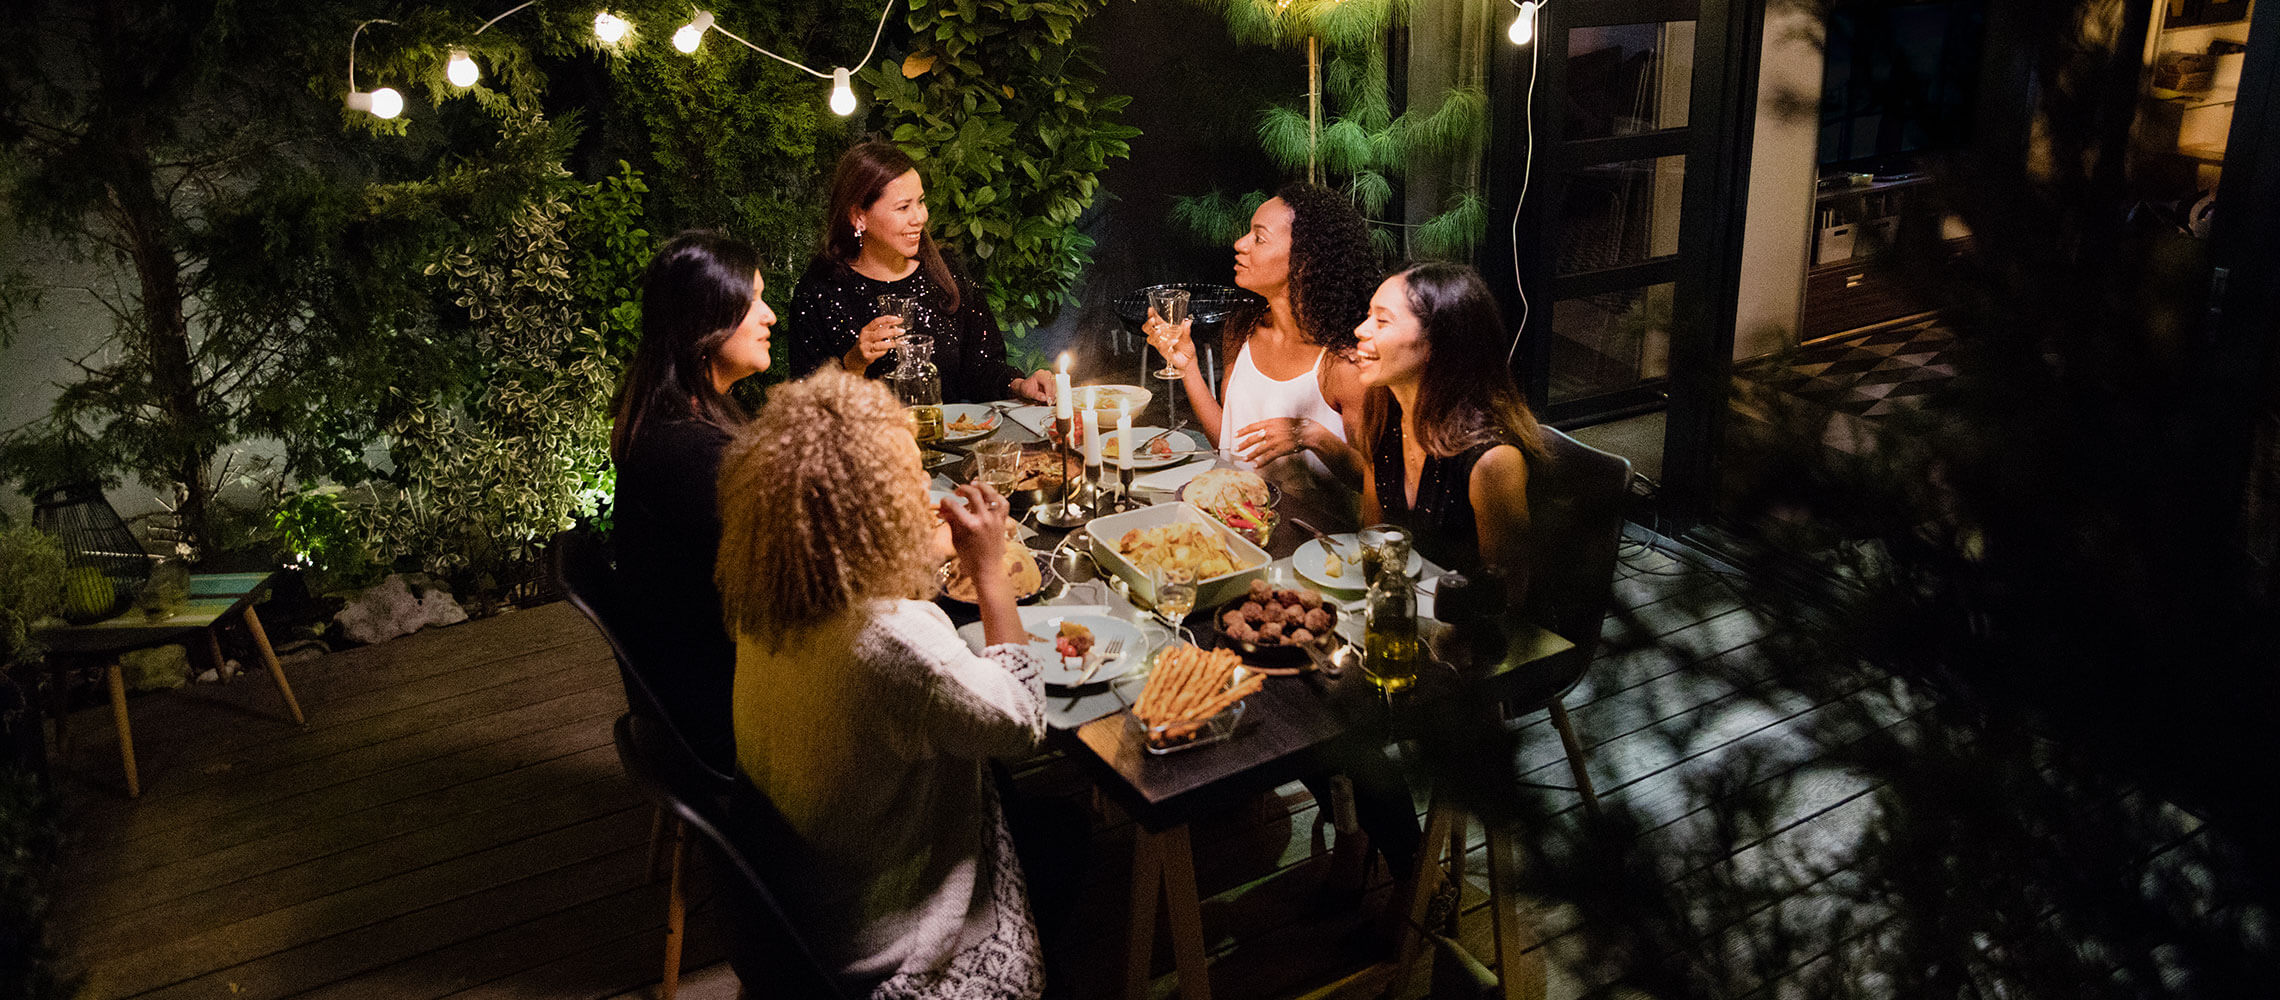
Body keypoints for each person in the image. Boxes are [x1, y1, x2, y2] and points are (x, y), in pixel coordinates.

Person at [713, 369, 1046, 999]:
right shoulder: (892, 640)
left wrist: (926, 553)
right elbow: (1020, 721)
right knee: (1047, 827)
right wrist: (989, 568)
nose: (923, 487)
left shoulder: (777, 586)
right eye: (909, 476)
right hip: (881, 950)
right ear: (871, 504)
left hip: (794, 904)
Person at [608, 230, 775, 769]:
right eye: (751, 303)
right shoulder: (690, 452)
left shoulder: (683, 416)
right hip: (725, 708)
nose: (769, 316)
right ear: (705, 324)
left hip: (712, 676)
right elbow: (786, 577)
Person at [1145, 182, 1376, 490]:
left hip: (1316, 534)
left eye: (1259, 237)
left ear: (1304, 259)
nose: (1240, 244)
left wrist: (1312, 436)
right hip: (1244, 520)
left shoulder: (1344, 361)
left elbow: (1377, 483)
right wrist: (1187, 366)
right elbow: (1232, 445)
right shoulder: (1244, 328)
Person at [790, 141, 1056, 405]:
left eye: (921, 202)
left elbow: (982, 368)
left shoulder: (945, 271)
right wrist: (854, 363)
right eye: (903, 207)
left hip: (950, 441)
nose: (920, 217)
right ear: (859, 216)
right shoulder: (821, 290)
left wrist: (1020, 385)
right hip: (866, 446)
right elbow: (807, 407)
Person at [1351, 261, 1546, 598]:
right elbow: (1373, 539)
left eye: (1382, 321)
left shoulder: (1492, 460)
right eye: (1369, 316)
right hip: (1399, 610)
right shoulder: (1383, 416)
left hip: (1471, 633)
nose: (1361, 330)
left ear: (1435, 345)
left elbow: (1508, 596)